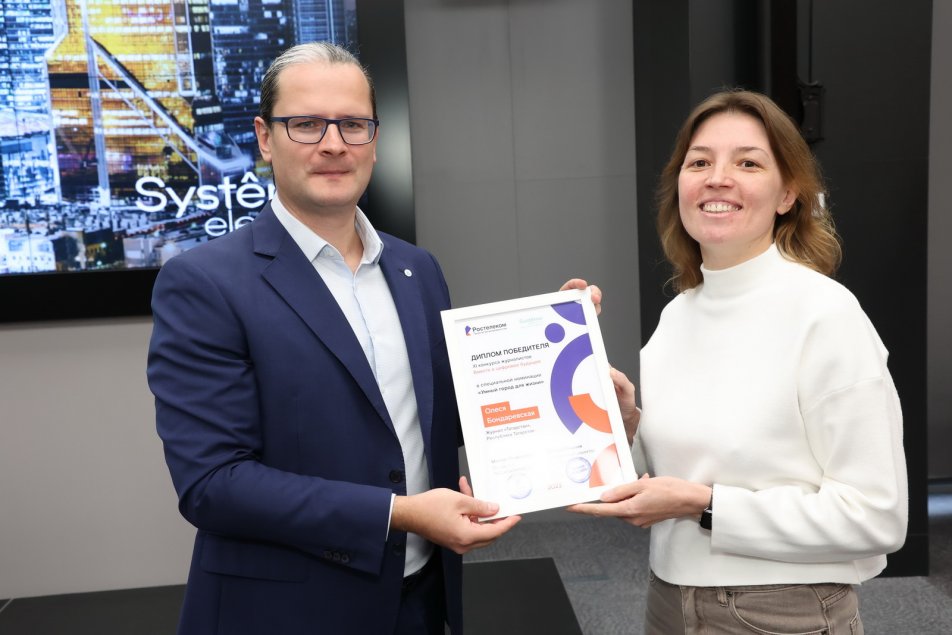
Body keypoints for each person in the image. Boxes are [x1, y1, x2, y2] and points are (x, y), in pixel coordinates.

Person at [148, 42, 595, 634]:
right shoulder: (204, 283)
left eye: (353, 124)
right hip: (288, 613)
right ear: (264, 138)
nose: (334, 144)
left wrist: (565, 379)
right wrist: (400, 513)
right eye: (306, 124)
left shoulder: (417, 269)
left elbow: (444, 418)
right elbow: (213, 484)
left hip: (421, 599)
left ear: (375, 140)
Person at [570, 89, 908, 634]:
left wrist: (703, 506)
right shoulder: (678, 315)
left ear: (787, 194)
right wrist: (621, 420)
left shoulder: (826, 315)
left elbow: (876, 517)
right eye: (699, 162)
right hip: (668, 599)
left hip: (782, 611)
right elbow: (668, 474)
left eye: (748, 163)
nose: (717, 178)